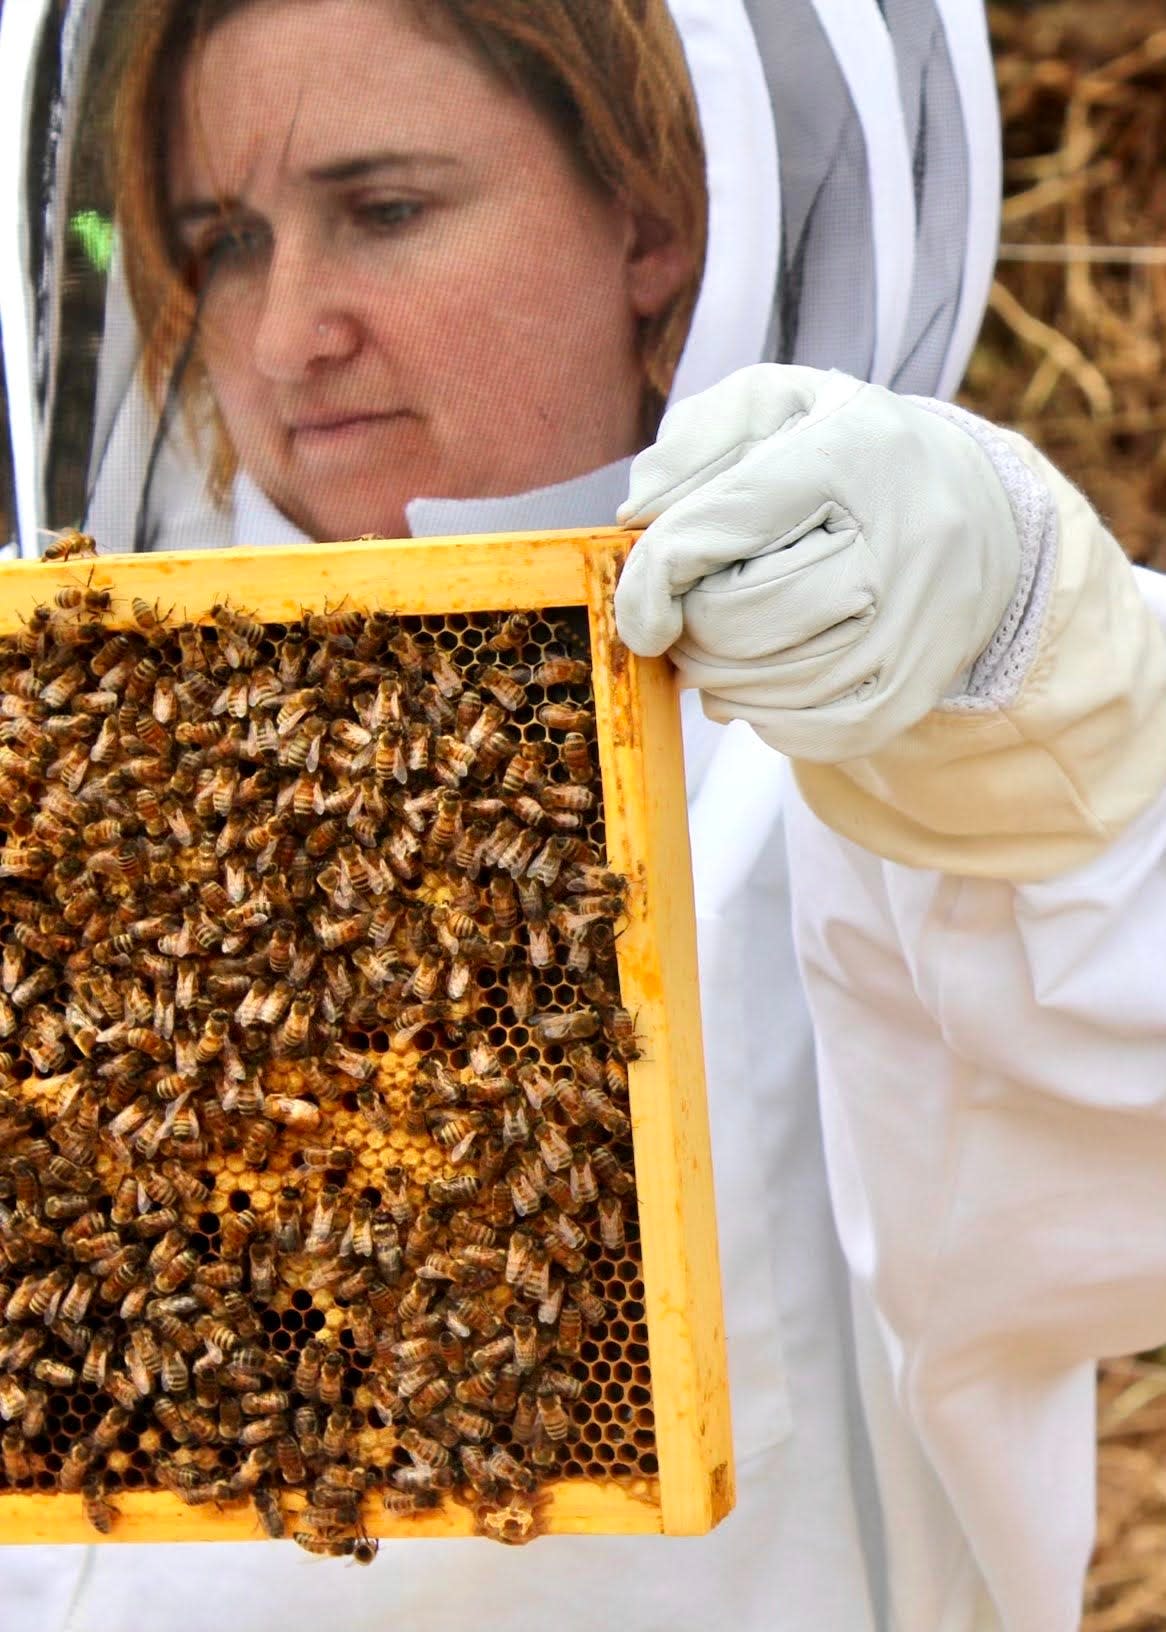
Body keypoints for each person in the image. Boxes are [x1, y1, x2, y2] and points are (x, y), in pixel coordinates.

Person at [2, 4, 1164, 1632]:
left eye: (384, 209)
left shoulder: (850, 762)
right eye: (224, 236)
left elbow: (1125, 1042)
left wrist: (1033, 674)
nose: (279, 337)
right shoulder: (84, 753)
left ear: (654, 222)